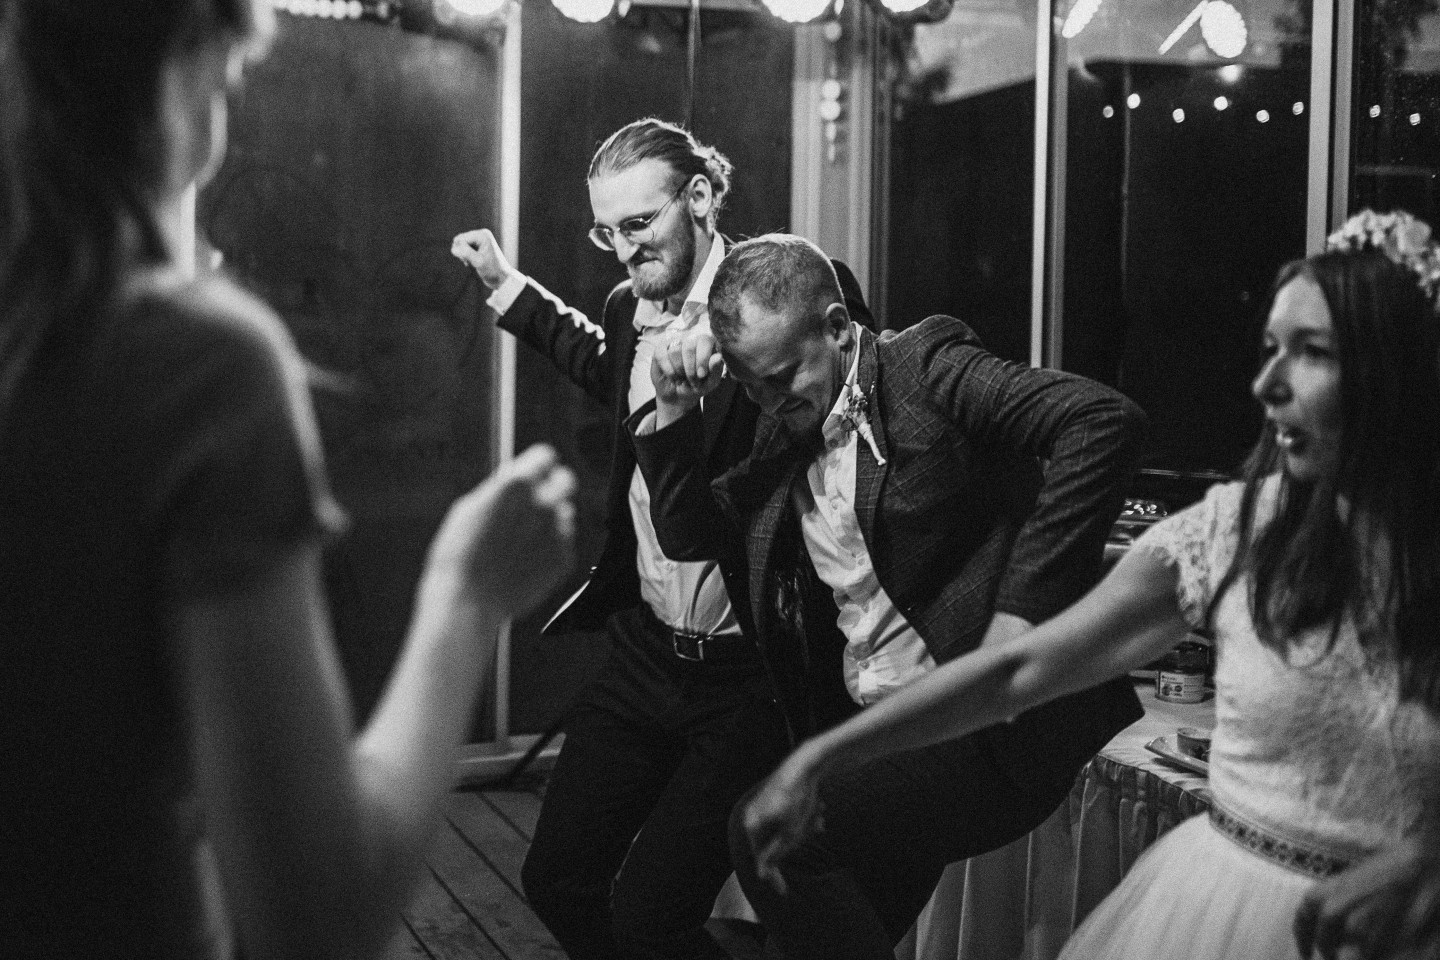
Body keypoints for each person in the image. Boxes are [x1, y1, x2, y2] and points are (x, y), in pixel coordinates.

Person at [0, 4, 576, 960]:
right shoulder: (187, 367)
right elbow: (315, 919)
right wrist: (467, 598)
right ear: (175, 68)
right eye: (226, 82)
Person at [740, 210, 1440, 960]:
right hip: (1218, 902)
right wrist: (818, 759)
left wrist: (1428, 859)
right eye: (1270, 350)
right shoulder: (1233, 531)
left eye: (1313, 353)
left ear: (1393, 371)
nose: (1266, 384)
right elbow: (1017, 669)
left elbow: (1102, 421)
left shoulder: (923, 366)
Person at [630, 233, 1146, 958]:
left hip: (983, 725)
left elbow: (1101, 421)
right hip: (880, 732)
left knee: (769, 831)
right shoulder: (783, 431)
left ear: (839, 329)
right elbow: (691, 533)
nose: (771, 403)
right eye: (752, 387)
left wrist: (1021, 615)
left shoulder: (923, 368)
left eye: (783, 377)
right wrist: (675, 410)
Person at [450, 119, 873, 960]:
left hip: (749, 675)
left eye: (640, 223)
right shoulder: (626, 306)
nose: (622, 248)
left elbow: (843, 397)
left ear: (701, 197)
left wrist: (719, 381)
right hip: (644, 652)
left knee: (652, 915)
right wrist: (506, 285)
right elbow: (597, 360)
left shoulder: (783, 294)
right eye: (606, 231)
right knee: (556, 880)